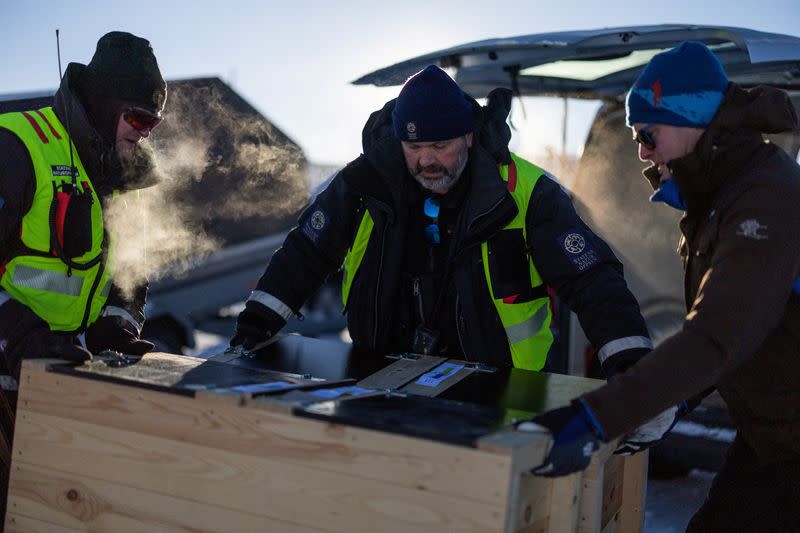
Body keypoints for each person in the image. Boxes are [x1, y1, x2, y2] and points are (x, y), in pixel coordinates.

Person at [528, 42, 800, 531]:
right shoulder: (718, 197)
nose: (642, 151)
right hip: (774, 434)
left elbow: (718, 333)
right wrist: (675, 402)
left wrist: (597, 417)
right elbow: (743, 332)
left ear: (690, 118)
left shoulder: (766, 197)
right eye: (636, 137)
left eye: (648, 133)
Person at [232, 65, 651, 379]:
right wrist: (255, 326)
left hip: (499, 386)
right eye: (414, 146)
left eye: (440, 145)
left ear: (468, 136)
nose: (427, 160)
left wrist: (631, 365)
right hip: (379, 376)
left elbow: (591, 278)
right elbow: (307, 250)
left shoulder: (525, 192)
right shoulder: (365, 183)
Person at [0, 30, 166, 518]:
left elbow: (131, 267)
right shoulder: (18, 146)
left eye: (153, 124)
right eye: (137, 118)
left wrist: (117, 322)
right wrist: (16, 335)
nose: (144, 133)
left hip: (59, 381)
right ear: (103, 104)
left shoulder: (123, 172)